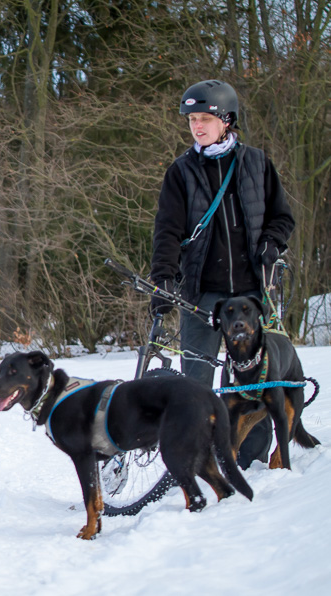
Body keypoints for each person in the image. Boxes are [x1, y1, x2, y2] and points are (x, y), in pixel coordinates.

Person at [149, 79, 295, 469]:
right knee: (195, 382)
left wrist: (271, 243)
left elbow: (282, 217)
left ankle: (249, 460)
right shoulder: (180, 172)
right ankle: (196, 460)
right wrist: (163, 279)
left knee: (253, 383)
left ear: (226, 120)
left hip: (248, 296)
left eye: (205, 118)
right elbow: (166, 231)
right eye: (192, 119)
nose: (197, 126)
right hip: (201, 296)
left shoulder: (256, 163)